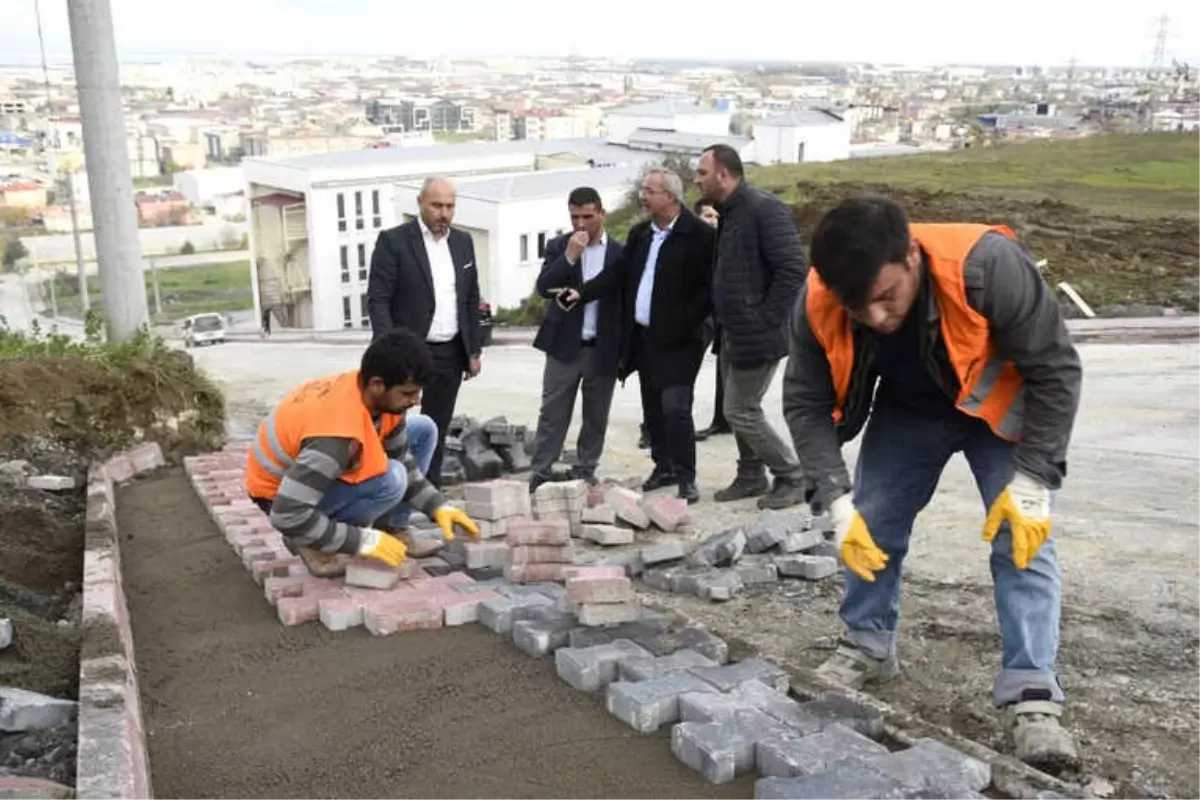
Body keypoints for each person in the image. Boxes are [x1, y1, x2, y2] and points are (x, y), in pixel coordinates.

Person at [783, 195, 1082, 770]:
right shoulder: (818, 300)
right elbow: (804, 402)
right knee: (871, 521)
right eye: (857, 307)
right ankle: (867, 644)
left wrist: (1034, 480)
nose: (874, 317)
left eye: (886, 297)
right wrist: (834, 499)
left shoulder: (987, 266)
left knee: (1022, 537)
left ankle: (1032, 692)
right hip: (910, 409)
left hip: (999, 407)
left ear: (912, 257)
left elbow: (1056, 371)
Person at [245, 328, 480, 577]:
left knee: (423, 429)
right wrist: (362, 541)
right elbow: (286, 515)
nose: (416, 400)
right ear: (377, 385)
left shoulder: (378, 399)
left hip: (310, 474)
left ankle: (392, 528)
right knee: (391, 479)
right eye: (409, 393)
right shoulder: (335, 437)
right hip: (282, 498)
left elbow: (402, 457)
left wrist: (438, 506)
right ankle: (310, 540)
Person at [694, 144, 809, 509]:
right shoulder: (730, 211)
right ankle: (750, 475)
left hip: (757, 332)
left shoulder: (763, 209)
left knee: (739, 409)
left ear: (723, 174)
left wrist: (764, 318)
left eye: (702, 172)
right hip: (733, 330)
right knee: (739, 406)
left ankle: (792, 474)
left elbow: (793, 269)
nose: (696, 180)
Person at [367, 176, 482, 488]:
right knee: (397, 426)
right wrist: (388, 350)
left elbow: (471, 298)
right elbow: (378, 299)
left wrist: (474, 350)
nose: (443, 213)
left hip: (450, 351)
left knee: (437, 426)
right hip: (408, 352)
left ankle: (429, 493)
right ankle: (391, 490)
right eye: (436, 205)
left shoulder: (463, 242)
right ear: (420, 203)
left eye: (449, 206)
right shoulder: (394, 242)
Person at [609, 169, 714, 503]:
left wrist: (686, 323)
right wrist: (583, 291)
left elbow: (708, 289)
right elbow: (620, 275)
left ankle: (686, 478)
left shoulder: (698, 235)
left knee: (675, 407)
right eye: (643, 189)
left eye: (649, 190)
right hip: (645, 337)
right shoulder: (641, 234)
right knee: (652, 407)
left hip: (682, 340)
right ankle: (663, 466)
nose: (643, 195)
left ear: (670, 196)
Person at [528, 187, 625, 491]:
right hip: (564, 346)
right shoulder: (559, 246)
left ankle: (585, 470)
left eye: (587, 216)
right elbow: (544, 287)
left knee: (596, 415)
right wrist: (571, 255)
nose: (580, 224)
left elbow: (625, 302)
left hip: (603, 348)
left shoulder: (619, 253)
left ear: (601, 214)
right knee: (552, 415)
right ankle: (541, 474)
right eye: (574, 217)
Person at [692, 199, 731, 443]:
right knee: (685, 369)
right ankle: (656, 428)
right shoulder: (693, 244)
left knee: (724, 369)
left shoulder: (726, 243)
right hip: (700, 314)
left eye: (716, 216)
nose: (713, 220)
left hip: (723, 314)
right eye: (707, 216)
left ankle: (723, 420)